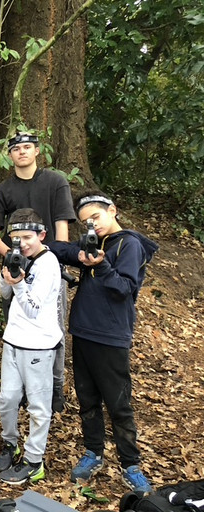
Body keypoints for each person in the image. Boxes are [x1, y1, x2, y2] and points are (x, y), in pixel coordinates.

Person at [49, 193, 158, 493]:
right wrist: (40, 242)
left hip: (111, 337)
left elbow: (125, 288)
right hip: (82, 332)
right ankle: (93, 452)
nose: (91, 226)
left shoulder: (129, 244)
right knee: (87, 400)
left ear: (112, 210)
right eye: (86, 222)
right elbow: (66, 250)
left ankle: (130, 464)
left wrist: (101, 264)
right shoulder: (92, 243)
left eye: (95, 218)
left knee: (118, 403)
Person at [0, 132, 76, 413]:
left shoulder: (55, 182)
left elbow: (62, 226)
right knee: (15, 323)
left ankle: (54, 388)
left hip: (50, 266)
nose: (22, 152)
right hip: (15, 266)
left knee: (54, 329)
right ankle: (22, 387)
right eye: (16, 148)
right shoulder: (3, 190)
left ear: (37, 151)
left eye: (27, 147)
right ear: (9, 155)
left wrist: (53, 259)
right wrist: (13, 258)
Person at [0, 209, 62, 485]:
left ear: (41, 235)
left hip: (38, 346)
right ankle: (10, 443)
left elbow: (33, 309)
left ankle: (34, 460)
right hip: (13, 340)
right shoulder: (18, 256)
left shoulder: (48, 263)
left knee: (38, 406)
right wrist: (7, 272)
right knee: (7, 399)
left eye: (27, 237)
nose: (21, 243)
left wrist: (20, 282)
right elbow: (4, 293)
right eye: (15, 238)